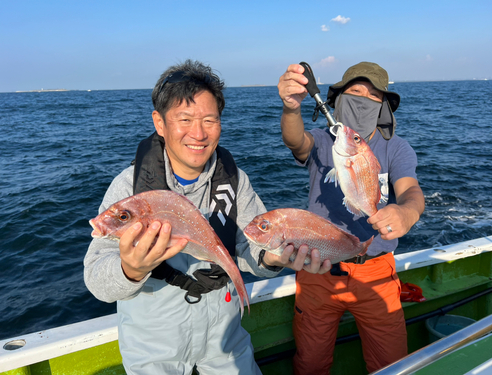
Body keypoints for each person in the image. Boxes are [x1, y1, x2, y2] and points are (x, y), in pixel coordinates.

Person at [83, 59, 284, 375]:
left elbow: (249, 251)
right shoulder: (130, 188)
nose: (199, 133)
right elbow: (97, 279)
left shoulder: (234, 181)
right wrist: (129, 269)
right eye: (185, 119)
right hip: (153, 349)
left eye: (209, 119)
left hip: (225, 343)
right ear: (160, 123)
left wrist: (273, 259)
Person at [271, 61, 426, 374]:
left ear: (383, 106)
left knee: (392, 364)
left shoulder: (397, 149)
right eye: (355, 92)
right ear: (339, 98)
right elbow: (296, 141)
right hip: (318, 266)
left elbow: (410, 190)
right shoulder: (324, 139)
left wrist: (407, 211)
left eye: (372, 96)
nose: (363, 100)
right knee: (310, 362)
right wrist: (290, 108)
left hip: (376, 272)